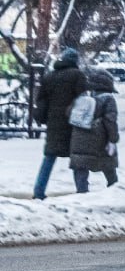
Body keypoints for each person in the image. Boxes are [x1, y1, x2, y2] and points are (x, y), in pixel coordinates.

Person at [32, 47, 87, 200]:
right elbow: (83, 100)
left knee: (49, 157)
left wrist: (43, 118)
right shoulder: (77, 75)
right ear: (75, 61)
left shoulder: (50, 76)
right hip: (73, 124)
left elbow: (41, 101)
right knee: (77, 157)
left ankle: (38, 191)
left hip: (54, 124)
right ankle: (82, 191)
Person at [69, 68, 120, 192]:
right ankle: (115, 192)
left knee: (81, 166)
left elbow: (70, 115)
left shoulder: (82, 98)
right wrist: (113, 139)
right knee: (108, 165)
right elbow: (110, 121)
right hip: (99, 140)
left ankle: (81, 194)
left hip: (79, 140)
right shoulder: (108, 99)